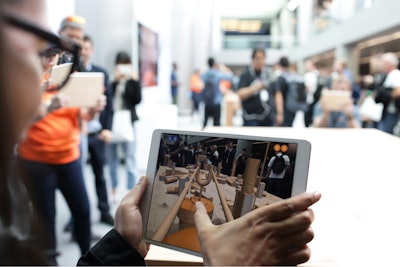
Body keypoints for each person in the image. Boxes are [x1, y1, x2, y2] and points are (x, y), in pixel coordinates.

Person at [0, 1, 321, 265]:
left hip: (69, 150)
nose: (48, 76)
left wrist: (122, 246)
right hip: (42, 156)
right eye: (45, 50)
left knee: (81, 212)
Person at [16, 15, 105, 261]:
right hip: (35, 158)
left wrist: (93, 110)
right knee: (45, 218)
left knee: (83, 211)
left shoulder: (69, 71)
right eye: (70, 36)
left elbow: (80, 115)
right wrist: (48, 107)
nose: (51, 58)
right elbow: (18, 120)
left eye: (79, 38)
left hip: (68, 155)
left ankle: (87, 257)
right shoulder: (27, 73)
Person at [79, 34, 114, 225]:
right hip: (78, 134)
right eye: (80, 48)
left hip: (97, 133)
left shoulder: (100, 73)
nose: (83, 51)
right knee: (76, 178)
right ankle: (76, 216)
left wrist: (108, 128)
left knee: (100, 175)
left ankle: (104, 210)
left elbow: (109, 105)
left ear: (91, 50)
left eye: (86, 48)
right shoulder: (71, 73)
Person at [107, 51, 141, 200]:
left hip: (127, 121)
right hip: (111, 122)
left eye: (126, 63)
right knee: (112, 159)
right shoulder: (111, 80)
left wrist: (133, 81)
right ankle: (114, 190)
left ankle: (131, 193)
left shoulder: (132, 80)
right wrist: (115, 82)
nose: (123, 67)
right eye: (121, 63)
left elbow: (137, 99)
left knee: (130, 158)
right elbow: (108, 100)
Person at [236, 48, 274, 126]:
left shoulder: (268, 74)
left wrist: (279, 113)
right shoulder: (246, 75)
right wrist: (256, 87)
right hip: (251, 118)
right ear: (253, 59)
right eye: (257, 58)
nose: (260, 61)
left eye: (262, 59)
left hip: (268, 117)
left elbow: (277, 93)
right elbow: (240, 94)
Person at [201, 57, 233, 128]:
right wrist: (224, 68)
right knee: (217, 124)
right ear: (214, 64)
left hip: (207, 103)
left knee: (205, 123)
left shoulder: (204, 75)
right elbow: (230, 76)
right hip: (216, 103)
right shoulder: (218, 74)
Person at [374, 52, 400, 134]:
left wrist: (389, 95)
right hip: (389, 111)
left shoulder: (394, 74)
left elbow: (398, 91)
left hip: (392, 112)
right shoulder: (387, 75)